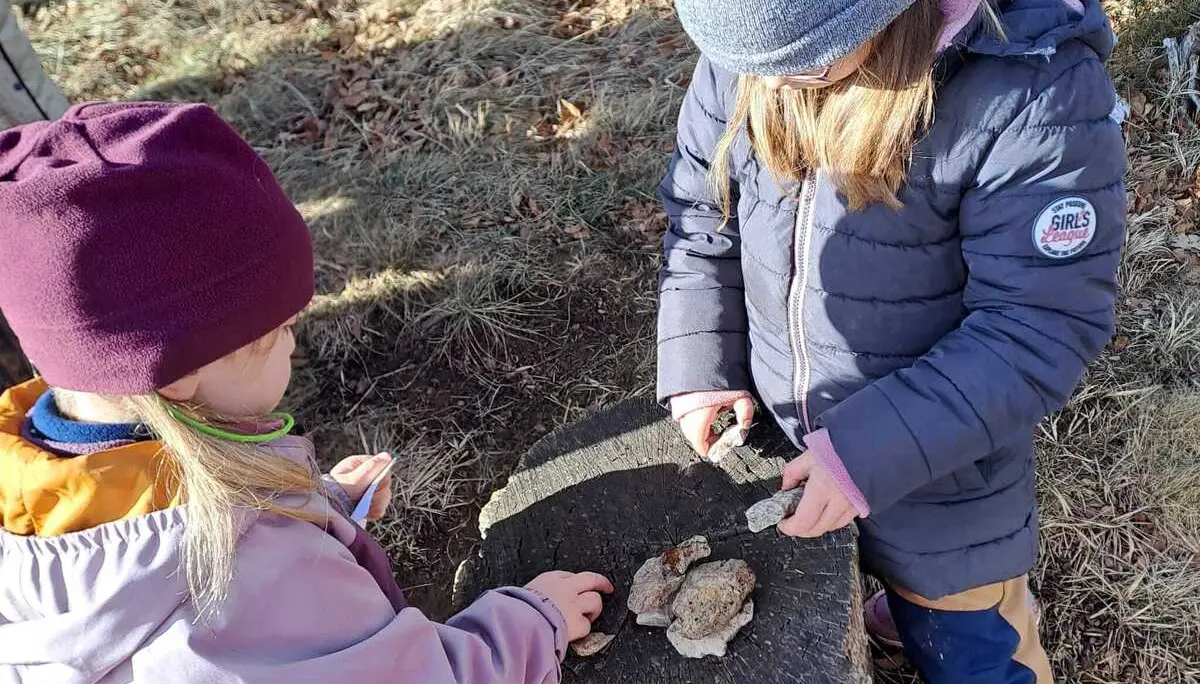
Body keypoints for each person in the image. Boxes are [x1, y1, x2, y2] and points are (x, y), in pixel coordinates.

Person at [0, 101, 612, 682]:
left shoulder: (36, 501)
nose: (294, 344)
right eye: (283, 328)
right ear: (175, 369)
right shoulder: (260, 578)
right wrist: (530, 624)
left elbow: (145, 534)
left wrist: (312, 503)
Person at [657, 0, 1124, 681]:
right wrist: (701, 360)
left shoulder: (1033, 94)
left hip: (944, 486)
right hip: (789, 440)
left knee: (970, 653)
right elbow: (704, 215)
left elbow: (1034, 328)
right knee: (840, 580)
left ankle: (930, 612)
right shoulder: (755, 56)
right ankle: (892, 606)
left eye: (804, 65)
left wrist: (865, 455)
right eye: (751, 64)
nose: (772, 83)